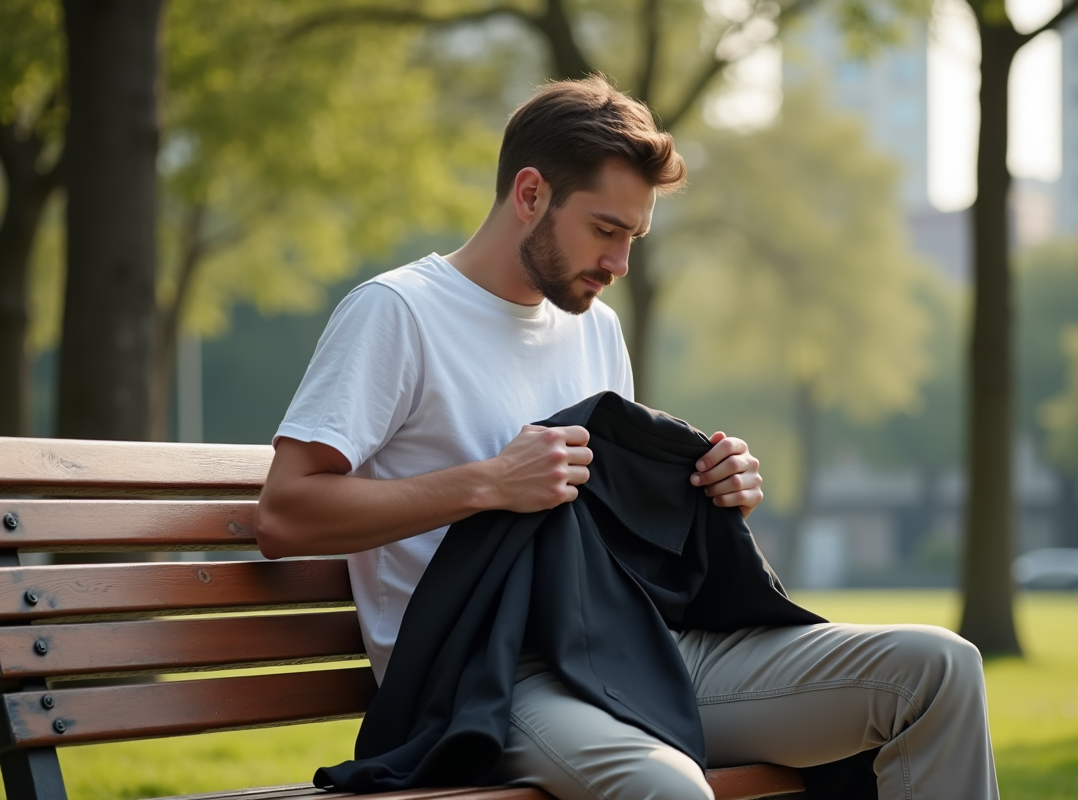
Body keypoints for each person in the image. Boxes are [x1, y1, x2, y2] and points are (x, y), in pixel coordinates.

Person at [256, 75, 1000, 800]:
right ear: (530, 195)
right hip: (489, 674)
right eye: (605, 230)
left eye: (633, 237)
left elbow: (609, 534)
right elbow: (286, 514)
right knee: (663, 787)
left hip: (632, 645)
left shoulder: (596, 330)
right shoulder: (398, 313)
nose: (619, 263)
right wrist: (488, 483)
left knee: (939, 669)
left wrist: (713, 491)